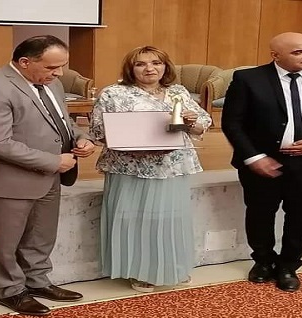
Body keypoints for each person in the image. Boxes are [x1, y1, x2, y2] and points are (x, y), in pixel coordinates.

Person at [0, 35, 96, 316]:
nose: (59, 73)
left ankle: (37, 281)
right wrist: (53, 161)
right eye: (51, 67)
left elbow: (62, 121)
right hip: (12, 181)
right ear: (25, 62)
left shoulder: (53, 84)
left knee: (42, 235)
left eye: (62, 66)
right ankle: (10, 290)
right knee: (5, 242)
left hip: (51, 176)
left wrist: (81, 138)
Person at [221, 32, 302, 292]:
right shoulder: (248, 79)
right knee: (260, 215)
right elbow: (233, 122)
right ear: (276, 55)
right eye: (298, 52)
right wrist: (254, 157)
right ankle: (263, 262)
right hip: (263, 162)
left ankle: (288, 266)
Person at [90, 46, 211, 293]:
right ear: (130, 68)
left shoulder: (178, 92)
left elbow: (203, 124)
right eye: (141, 64)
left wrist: (190, 122)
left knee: (170, 218)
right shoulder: (114, 93)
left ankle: (172, 267)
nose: (150, 69)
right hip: (130, 166)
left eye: (156, 63)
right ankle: (140, 271)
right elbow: (97, 131)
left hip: (171, 165)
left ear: (165, 67)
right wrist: (129, 138)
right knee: (134, 218)